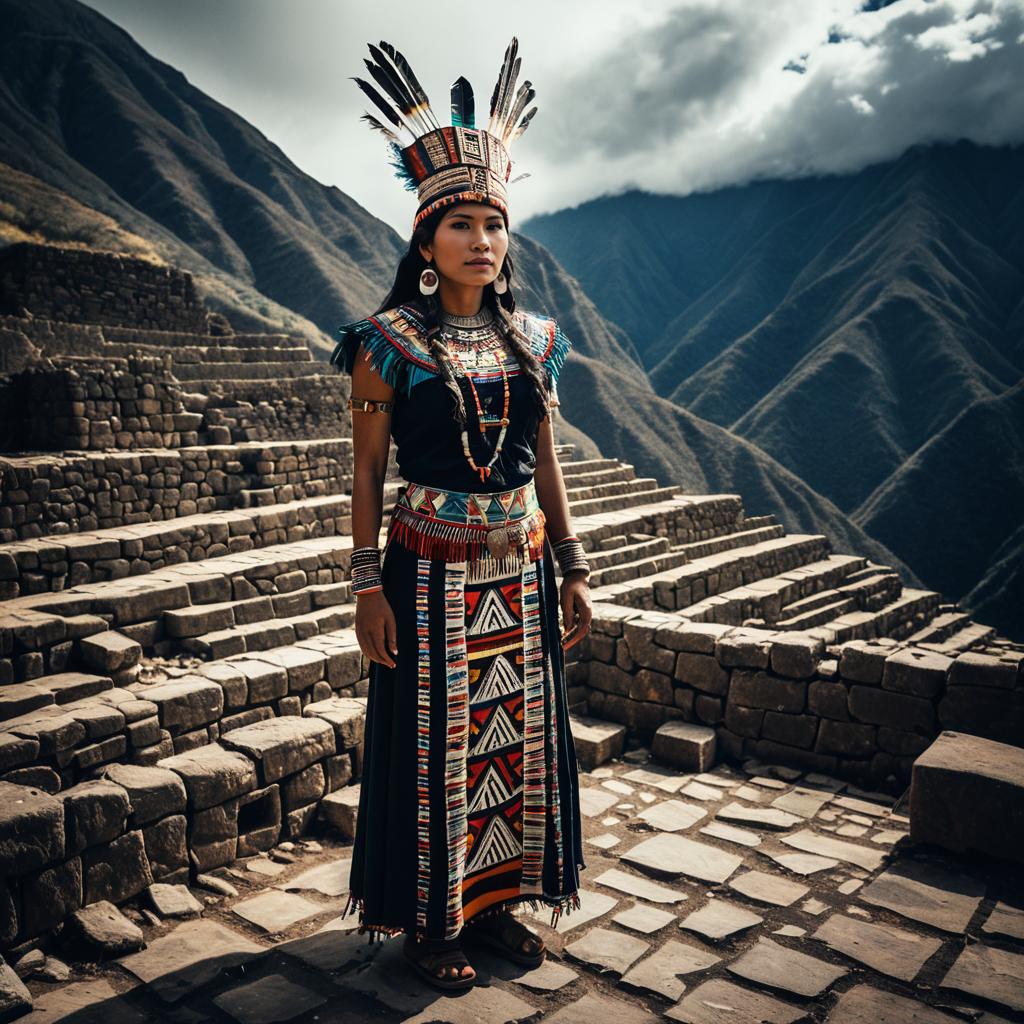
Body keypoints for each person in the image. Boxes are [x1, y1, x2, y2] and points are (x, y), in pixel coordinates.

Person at [333, 37, 590, 991]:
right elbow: (365, 474)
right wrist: (367, 589)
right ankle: (430, 924)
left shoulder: (536, 342)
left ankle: (497, 907)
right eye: (461, 223)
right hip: (425, 569)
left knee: (511, 740)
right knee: (436, 744)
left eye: (494, 222)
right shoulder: (384, 344)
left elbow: (546, 460)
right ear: (425, 241)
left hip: (519, 571)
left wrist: (574, 567)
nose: (482, 239)